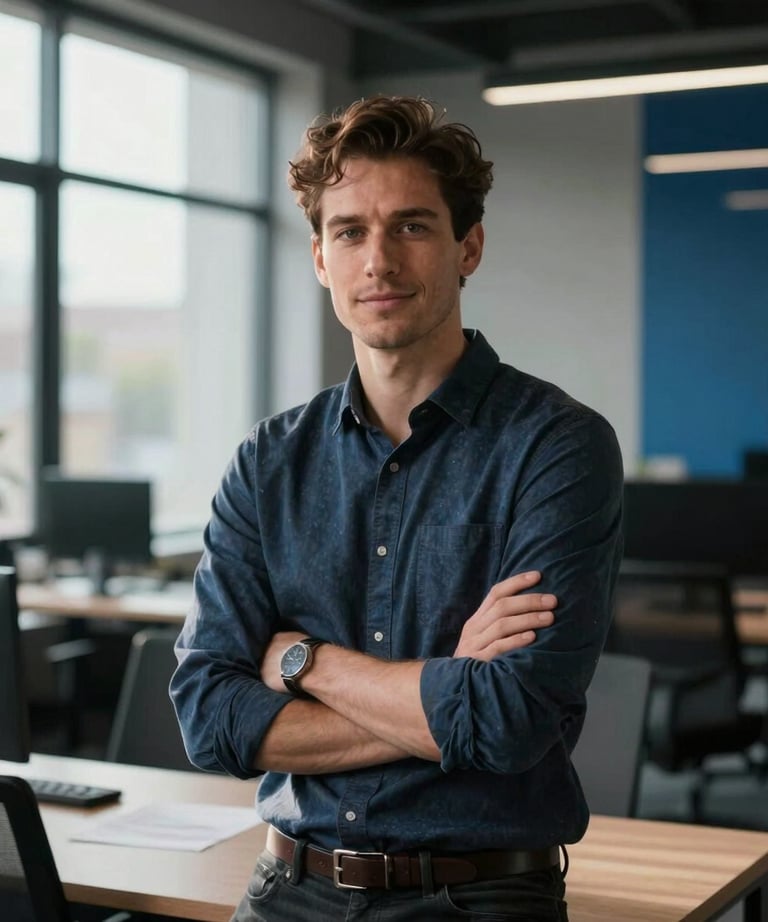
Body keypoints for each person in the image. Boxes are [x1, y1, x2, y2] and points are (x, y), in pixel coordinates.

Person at [170, 94, 623, 922]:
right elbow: (210, 720)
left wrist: (306, 662)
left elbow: (512, 720)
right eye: (349, 231)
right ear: (319, 257)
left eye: (412, 226)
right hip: (286, 890)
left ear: (468, 248)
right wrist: (445, 694)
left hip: (478, 895)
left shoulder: (558, 447)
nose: (377, 260)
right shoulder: (268, 461)